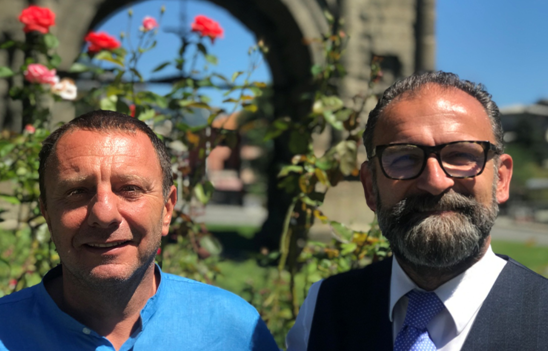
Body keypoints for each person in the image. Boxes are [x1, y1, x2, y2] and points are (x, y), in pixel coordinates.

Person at [286, 71, 548, 351]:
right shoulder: (323, 308)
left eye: (461, 155)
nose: (435, 182)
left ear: (501, 180)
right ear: (370, 187)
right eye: (404, 157)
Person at [0, 110, 279, 351]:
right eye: (77, 191)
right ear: (47, 214)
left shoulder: (234, 331)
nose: (104, 214)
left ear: (167, 209)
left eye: (130, 189)